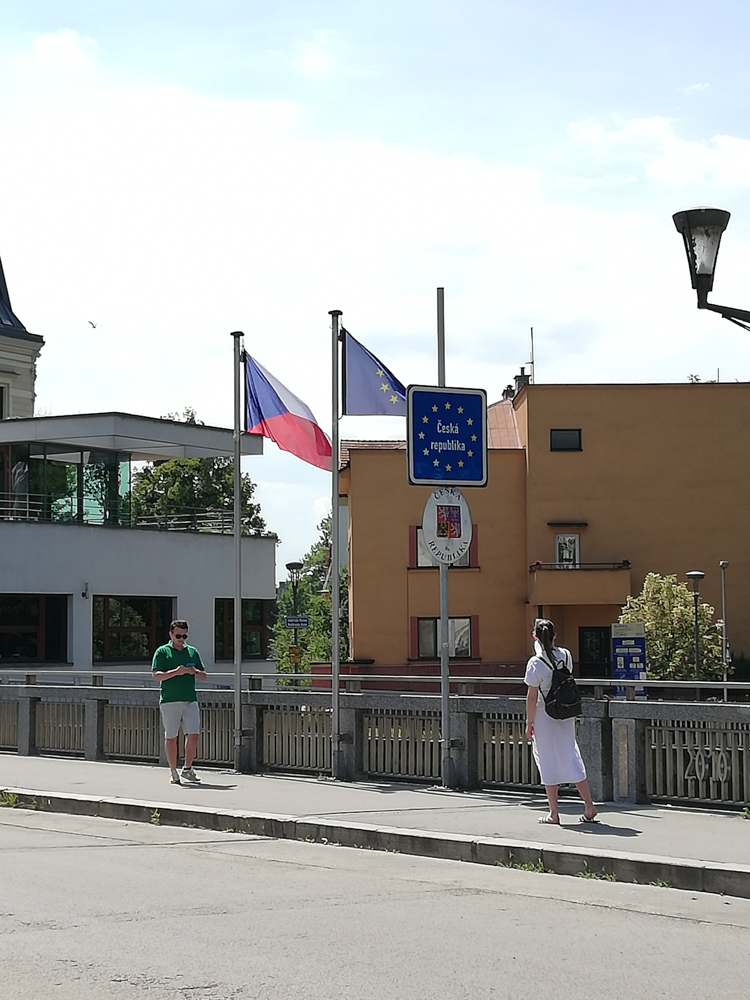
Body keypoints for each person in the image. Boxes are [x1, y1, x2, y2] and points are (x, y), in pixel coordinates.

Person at [524, 618, 598, 825]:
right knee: (570, 754)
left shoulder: (535, 663)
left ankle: (554, 813)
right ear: (555, 635)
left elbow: (532, 696)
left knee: (547, 759)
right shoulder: (565, 655)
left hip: (544, 715)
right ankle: (589, 805)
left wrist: (529, 722)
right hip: (565, 712)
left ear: (535, 637)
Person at [152, 619, 207, 785]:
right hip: (170, 700)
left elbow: (204, 675)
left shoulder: (192, 652)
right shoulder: (162, 652)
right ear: (171, 634)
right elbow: (156, 676)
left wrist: (193, 671)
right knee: (171, 736)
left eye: (184, 636)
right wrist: (176, 672)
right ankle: (173, 771)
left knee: (194, 734)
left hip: (190, 699)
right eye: (178, 636)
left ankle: (187, 768)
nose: (182, 639)